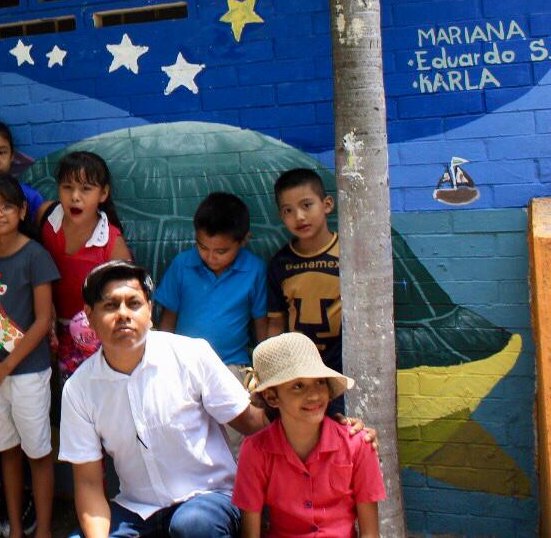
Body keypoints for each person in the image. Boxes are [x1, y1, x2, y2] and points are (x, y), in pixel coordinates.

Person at [58, 261, 376, 538]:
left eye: (134, 303)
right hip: (137, 508)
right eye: (111, 306)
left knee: (194, 526)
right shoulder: (80, 389)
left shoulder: (190, 355)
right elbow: (87, 484)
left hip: (208, 499)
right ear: (90, 316)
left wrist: (327, 426)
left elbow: (253, 423)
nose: (124, 315)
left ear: (150, 312)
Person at [0, 175, 58, 538]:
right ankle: (17, 529)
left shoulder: (35, 255)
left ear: (22, 210)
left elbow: (42, 321)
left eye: (6, 205)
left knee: (37, 453)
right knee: (6, 452)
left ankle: (44, 530)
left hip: (27, 374)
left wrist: (7, 365)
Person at [233, 333, 384, 538]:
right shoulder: (255, 450)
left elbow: (370, 534)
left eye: (320, 382)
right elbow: (251, 533)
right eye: (298, 386)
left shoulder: (358, 444)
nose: (313, 395)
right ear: (271, 397)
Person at [154, 191, 267, 452]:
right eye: (202, 247)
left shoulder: (255, 269)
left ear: (244, 241)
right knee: (188, 441)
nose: (210, 256)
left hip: (232, 370)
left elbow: (261, 325)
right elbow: (167, 322)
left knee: (233, 444)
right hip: (182, 371)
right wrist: (163, 366)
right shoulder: (183, 265)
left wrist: (263, 376)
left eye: (221, 251)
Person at [37, 151, 131, 377]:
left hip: (91, 340)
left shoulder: (111, 242)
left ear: (103, 193)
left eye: (86, 189)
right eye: (67, 187)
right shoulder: (45, 216)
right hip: (42, 330)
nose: (75, 197)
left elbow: (127, 298)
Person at [267, 170, 343, 384]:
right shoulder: (279, 263)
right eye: (288, 210)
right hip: (299, 370)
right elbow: (276, 322)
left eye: (306, 205)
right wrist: (272, 371)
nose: (299, 217)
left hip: (343, 368)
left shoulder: (349, 253)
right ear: (282, 216)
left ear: (327, 204)